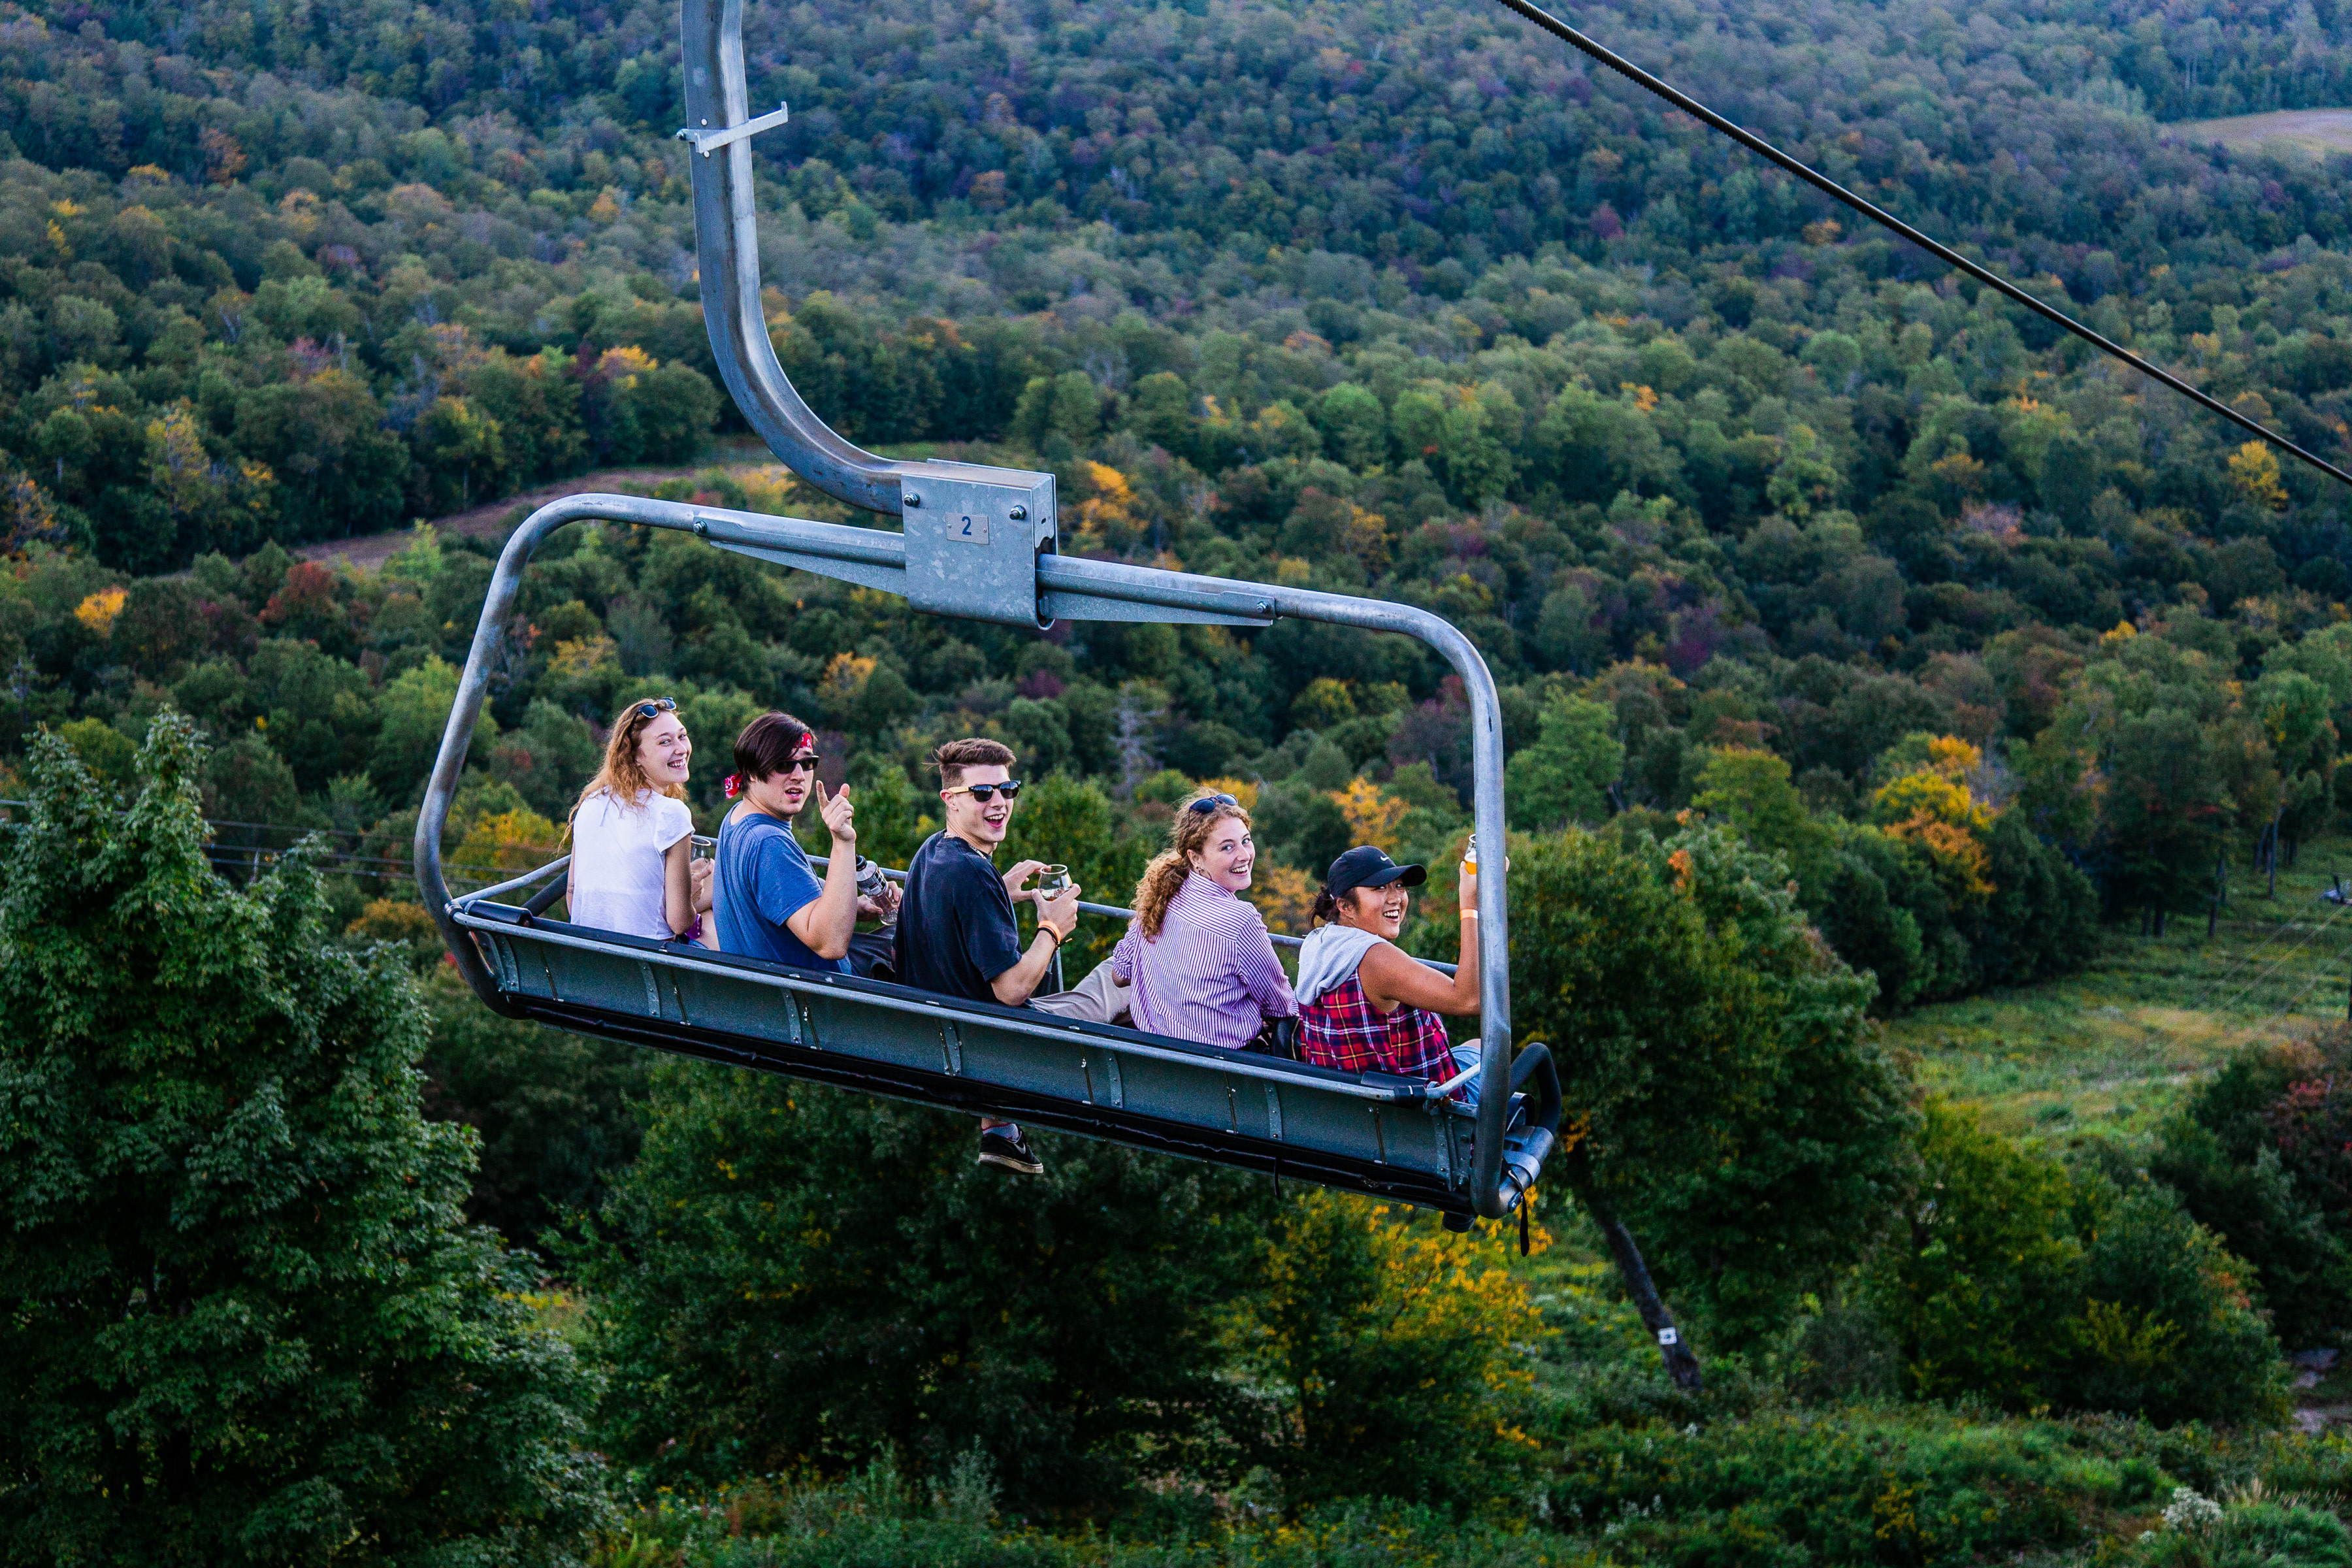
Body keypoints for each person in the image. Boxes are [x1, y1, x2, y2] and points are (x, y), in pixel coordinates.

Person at [896, 736, 1127, 1175]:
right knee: (1124, 974)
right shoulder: (974, 875)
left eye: (1008, 789)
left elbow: (946, 922)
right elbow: (1012, 990)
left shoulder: (932, 852)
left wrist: (999, 889)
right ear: (951, 800)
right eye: (982, 793)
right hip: (995, 1043)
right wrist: (1053, 927)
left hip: (940, 1037)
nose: (999, 802)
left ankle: (1001, 1131)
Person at [1107, 789, 1294, 1050]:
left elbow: (1120, 974)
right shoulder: (1240, 920)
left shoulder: (1162, 894)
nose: (1244, 855)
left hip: (1155, 1056)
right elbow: (1280, 1004)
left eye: (1246, 840)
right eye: (1227, 847)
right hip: (1223, 1069)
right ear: (1196, 858)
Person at [712, 711, 898, 970]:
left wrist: (852, 905)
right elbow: (830, 944)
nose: (799, 775)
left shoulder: (737, 818)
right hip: (822, 996)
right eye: (784, 765)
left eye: (807, 763)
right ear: (752, 773)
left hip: (771, 986)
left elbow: (788, 890)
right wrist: (843, 842)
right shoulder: (769, 843)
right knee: (920, 946)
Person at [1293, 844, 1481, 1092]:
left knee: (1475, 1044)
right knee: (1489, 1051)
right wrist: (1471, 904)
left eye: (1399, 886)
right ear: (1345, 906)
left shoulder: (1318, 944)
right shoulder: (1375, 959)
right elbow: (1470, 1000)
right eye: (1379, 888)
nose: (1396, 898)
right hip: (1431, 1111)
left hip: (1354, 1107)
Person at [565, 696, 713, 942]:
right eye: (665, 742)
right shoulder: (671, 813)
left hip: (589, 957)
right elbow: (679, 922)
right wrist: (690, 897)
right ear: (635, 757)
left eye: (682, 736)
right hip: (648, 965)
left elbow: (573, 902)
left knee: (714, 875)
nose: (681, 748)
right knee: (723, 892)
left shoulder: (590, 802)